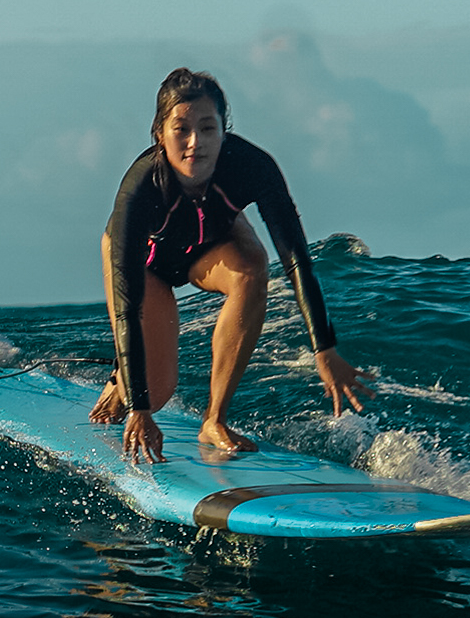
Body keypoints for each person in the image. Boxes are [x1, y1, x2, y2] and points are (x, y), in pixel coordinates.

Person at [94, 67, 369, 464]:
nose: (195, 143)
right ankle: (121, 384)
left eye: (207, 128)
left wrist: (324, 348)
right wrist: (138, 407)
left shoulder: (252, 166)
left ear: (224, 130)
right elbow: (126, 307)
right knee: (154, 392)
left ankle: (215, 420)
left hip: (208, 247)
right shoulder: (139, 189)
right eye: (181, 129)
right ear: (159, 133)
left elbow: (294, 257)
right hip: (147, 264)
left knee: (252, 267)